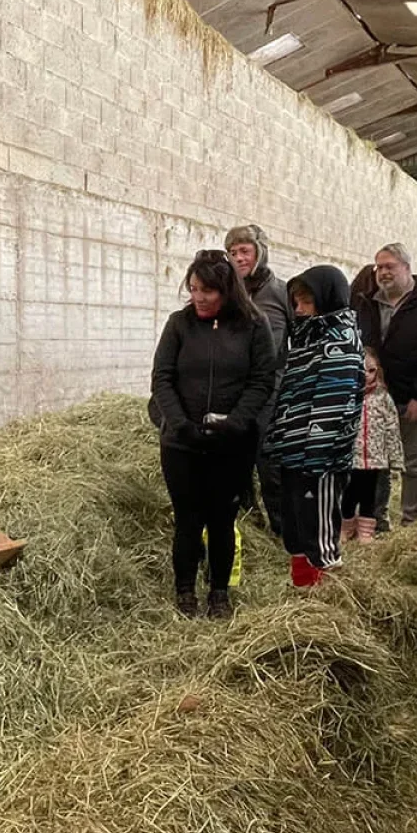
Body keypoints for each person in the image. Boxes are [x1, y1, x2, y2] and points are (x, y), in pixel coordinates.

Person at [150, 249, 278, 619]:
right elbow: (162, 378)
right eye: (193, 288)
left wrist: (236, 422)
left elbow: (262, 380)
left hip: (232, 444)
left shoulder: (255, 326)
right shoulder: (179, 324)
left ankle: (219, 593)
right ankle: (185, 591)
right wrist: (179, 424)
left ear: (227, 290)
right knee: (188, 519)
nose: (199, 297)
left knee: (222, 519)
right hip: (182, 443)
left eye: (208, 290)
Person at [263, 265, 366, 588]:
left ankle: (327, 598)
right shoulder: (307, 339)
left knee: (317, 531)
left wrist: (316, 458)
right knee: (294, 528)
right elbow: (291, 395)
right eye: (296, 303)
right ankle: (302, 592)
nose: (299, 310)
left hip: (319, 461)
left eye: (306, 302)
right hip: (296, 451)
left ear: (327, 298)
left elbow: (332, 406)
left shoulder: (340, 342)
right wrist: (279, 439)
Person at [355, 243, 417, 529]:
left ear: (407, 269)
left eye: (390, 267)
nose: (383, 273)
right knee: (377, 461)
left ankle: (413, 522)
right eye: (379, 267)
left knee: (413, 464)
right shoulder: (369, 303)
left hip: (413, 398)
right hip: (377, 398)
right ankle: (376, 521)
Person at [225, 224, 292, 537]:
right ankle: (249, 525)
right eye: (233, 252)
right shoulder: (228, 294)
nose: (239, 258)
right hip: (237, 390)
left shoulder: (280, 292)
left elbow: (299, 339)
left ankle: (282, 529)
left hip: (272, 389)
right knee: (237, 460)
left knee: (270, 462)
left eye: (245, 251)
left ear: (260, 253)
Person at [341, 346, 403, 544]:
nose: (367, 375)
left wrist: (396, 459)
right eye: (362, 369)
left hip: (375, 460)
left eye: (371, 370)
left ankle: (365, 533)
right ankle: (346, 528)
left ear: (378, 370)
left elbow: (392, 429)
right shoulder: (348, 398)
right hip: (353, 459)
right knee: (349, 494)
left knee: (369, 496)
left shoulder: (384, 398)